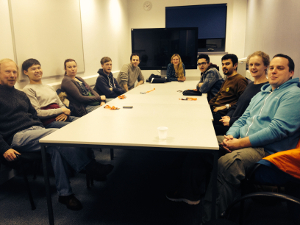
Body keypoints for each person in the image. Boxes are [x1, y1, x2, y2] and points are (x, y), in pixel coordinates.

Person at [0, 59, 114, 210]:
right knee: (57, 135)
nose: (12, 75)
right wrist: (4, 148)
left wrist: (39, 128)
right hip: (16, 136)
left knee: (55, 148)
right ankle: (90, 167)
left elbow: (34, 115)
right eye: (8, 71)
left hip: (35, 131)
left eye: (14, 72)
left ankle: (65, 195)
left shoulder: (20, 95)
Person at [202, 54, 300, 223]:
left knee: (227, 164)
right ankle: (204, 198)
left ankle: (214, 218)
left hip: (267, 150)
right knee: (204, 145)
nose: (274, 71)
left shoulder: (293, 94)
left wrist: (238, 143)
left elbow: (276, 130)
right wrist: (231, 135)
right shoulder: (263, 93)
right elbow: (243, 118)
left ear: (291, 73)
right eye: (272, 68)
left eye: (280, 68)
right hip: (243, 139)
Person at [214, 51, 270, 135]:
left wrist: (232, 120)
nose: (253, 67)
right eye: (251, 65)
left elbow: (255, 116)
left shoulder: (266, 88)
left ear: (265, 66)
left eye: (257, 64)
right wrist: (229, 116)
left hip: (240, 128)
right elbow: (238, 104)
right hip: (232, 122)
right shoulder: (250, 85)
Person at [22, 58, 76, 128]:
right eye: (33, 69)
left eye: (39, 68)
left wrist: (65, 113)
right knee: (75, 128)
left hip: (63, 117)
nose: (37, 71)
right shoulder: (28, 89)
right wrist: (61, 110)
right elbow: (37, 113)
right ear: (25, 72)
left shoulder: (49, 87)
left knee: (83, 122)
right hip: (50, 122)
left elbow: (61, 104)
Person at [209, 54, 248, 122]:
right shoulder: (227, 79)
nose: (224, 66)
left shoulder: (240, 80)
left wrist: (226, 106)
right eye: (223, 64)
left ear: (235, 65)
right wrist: (207, 105)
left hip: (223, 114)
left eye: (227, 64)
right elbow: (218, 95)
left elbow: (242, 102)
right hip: (215, 110)